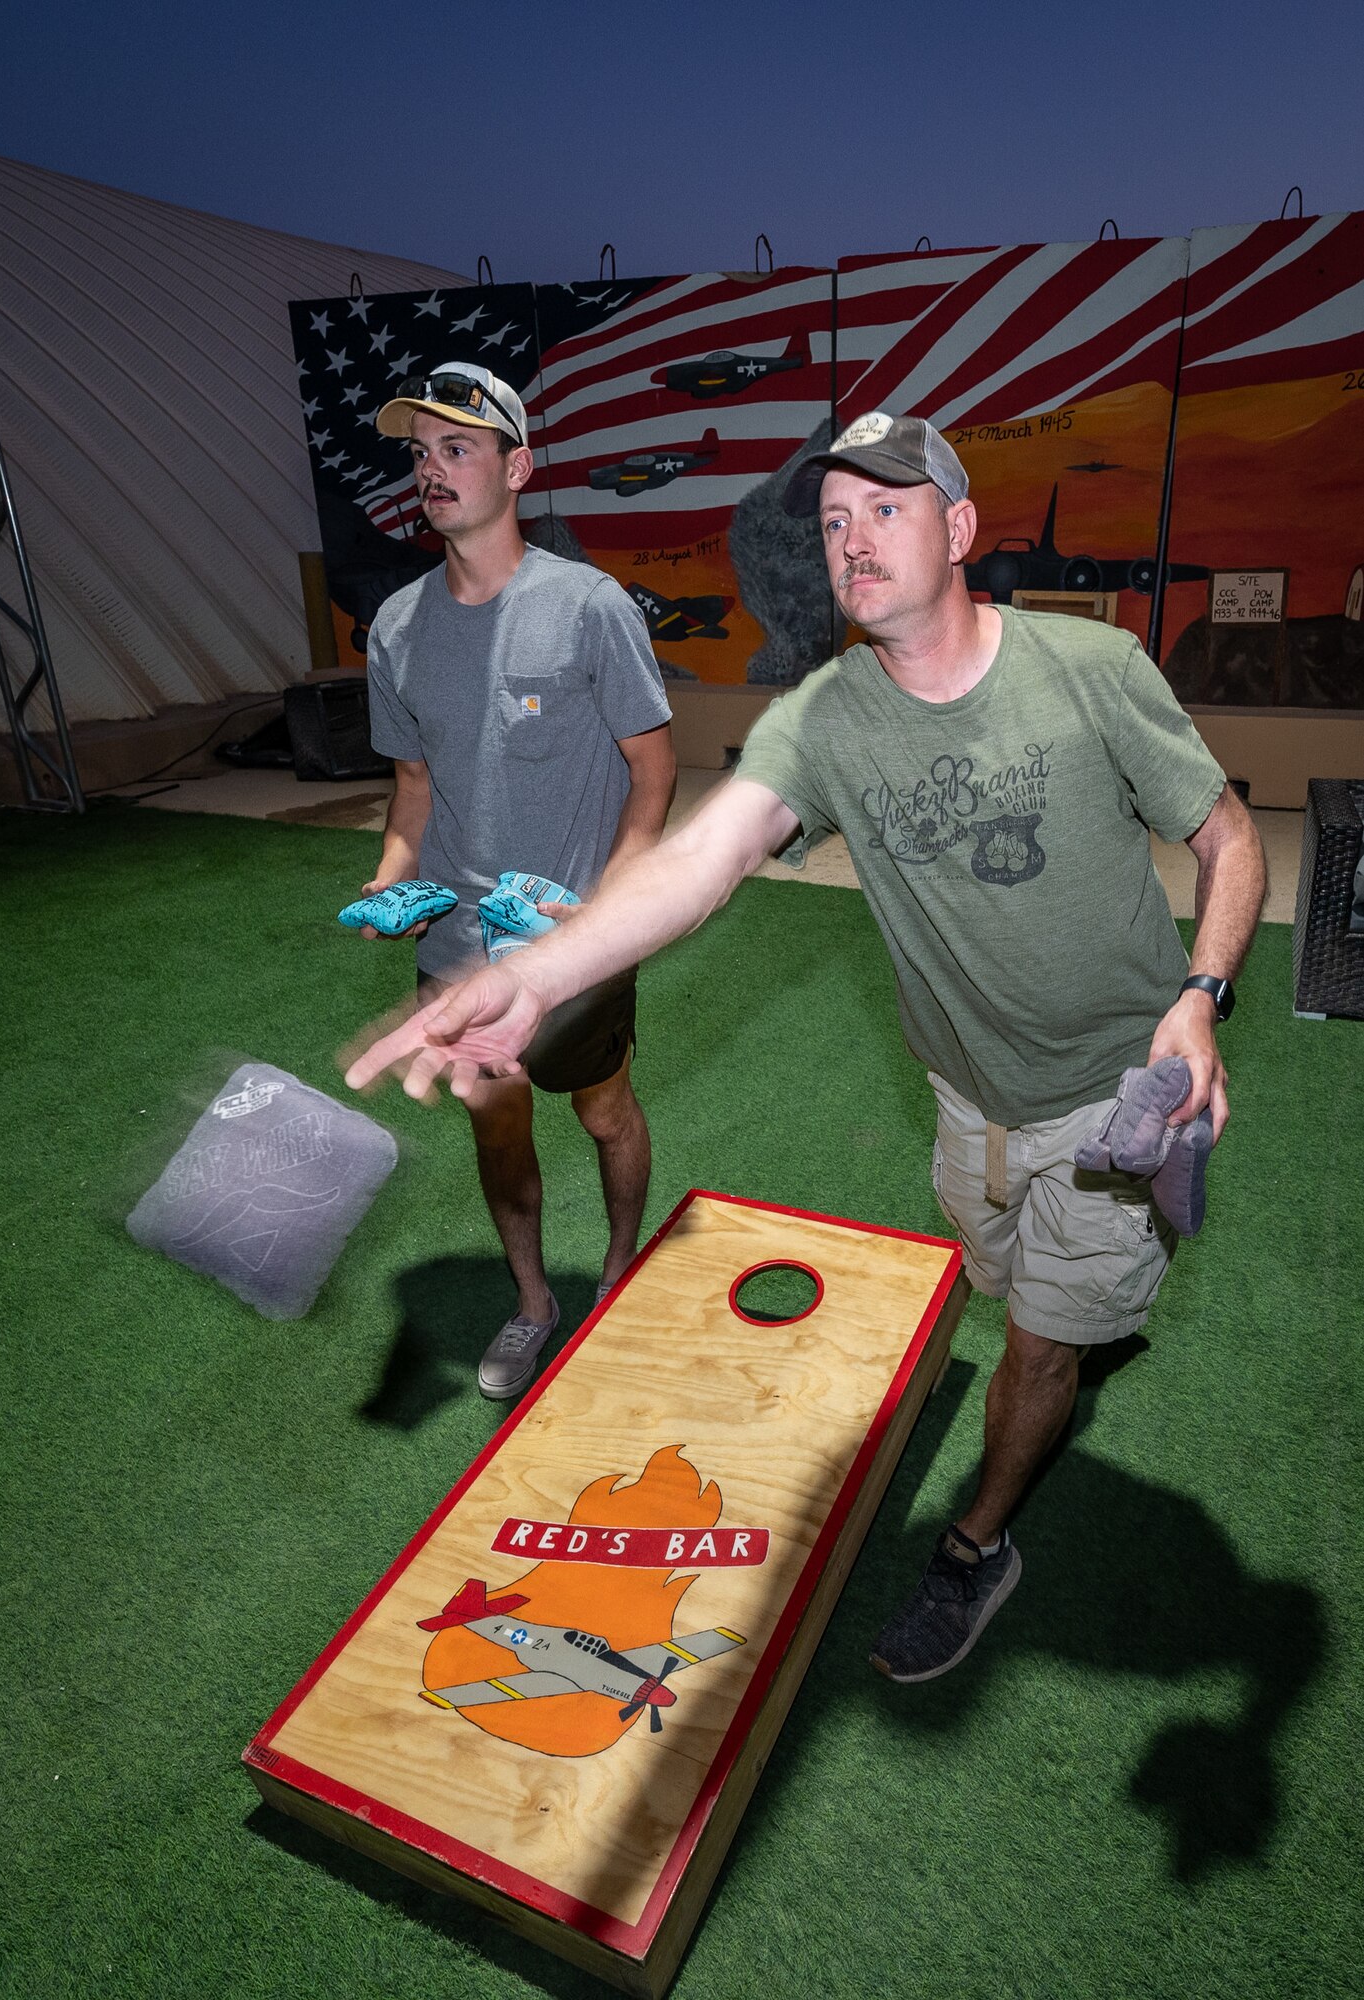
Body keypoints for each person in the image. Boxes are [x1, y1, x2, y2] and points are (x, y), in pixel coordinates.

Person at [346, 411, 1266, 1680]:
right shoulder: (824, 715)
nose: (852, 538)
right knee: (999, 1285)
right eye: (833, 521)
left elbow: (1229, 837)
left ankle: (977, 1544)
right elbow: (703, 859)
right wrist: (531, 973)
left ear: (956, 528)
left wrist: (1201, 990)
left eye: (886, 509)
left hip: (1113, 1093)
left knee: (1039, 1343)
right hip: (964, 1099)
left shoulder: (1089, 670)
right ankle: (1075, 1312)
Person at [358, 360, 676, 1400]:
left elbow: (653, 768)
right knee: (497, 1125)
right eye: (420, 453)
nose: (432, 470)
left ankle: (621, 1272)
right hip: (455, 950)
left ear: (516, 466)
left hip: (571, 947)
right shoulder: (396, 629)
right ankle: (534, 1300)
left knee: (601, 1112)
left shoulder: (588, 608)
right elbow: (411, 787)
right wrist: (391, 879)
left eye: (457, 447)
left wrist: (610, 914)